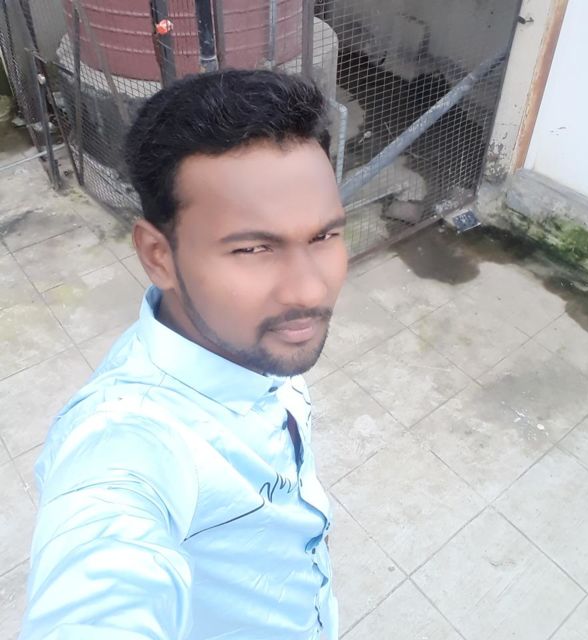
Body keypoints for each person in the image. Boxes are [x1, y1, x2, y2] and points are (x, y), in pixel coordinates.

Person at [21, 69, 348, 640]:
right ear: (158, 256)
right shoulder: (128, 438)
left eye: (323, 237)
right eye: (254, 248)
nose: (310, 289)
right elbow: (99, 581)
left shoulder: (255, 343)